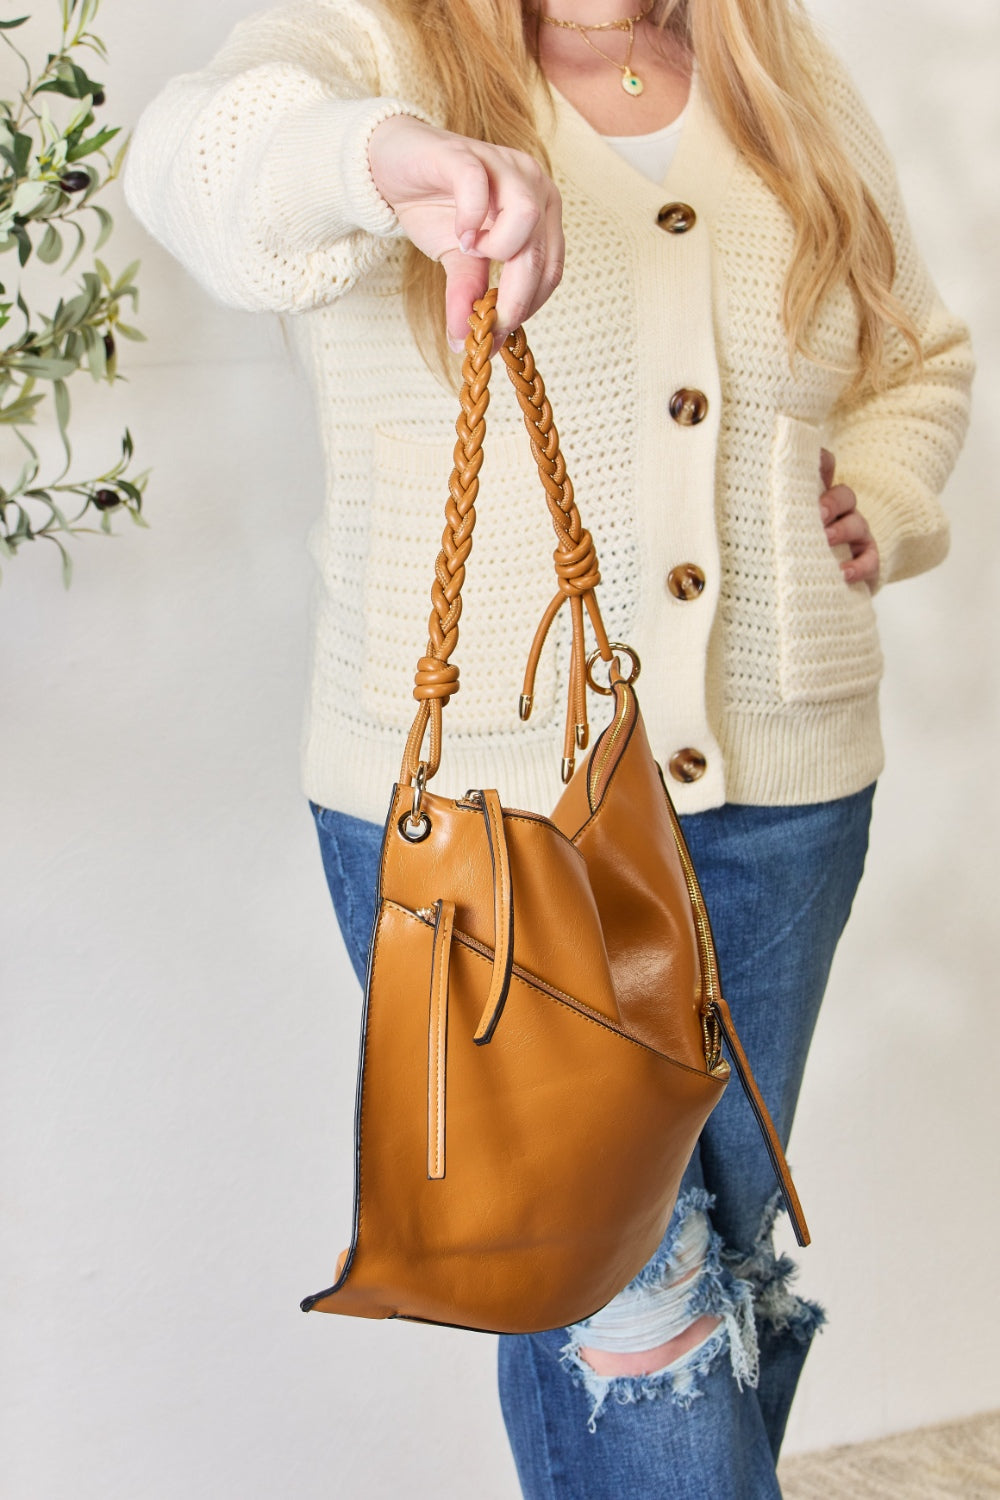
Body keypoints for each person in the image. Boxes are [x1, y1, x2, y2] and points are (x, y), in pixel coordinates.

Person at [124, 1, 973, 1493]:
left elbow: (921, 358)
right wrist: (381, 158)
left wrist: (878, 494)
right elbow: (189, 161)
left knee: (706, 1268)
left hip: (787, 795)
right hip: (492, 817)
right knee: (630, 1307)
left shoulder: (784, 73)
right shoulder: (370, 50)